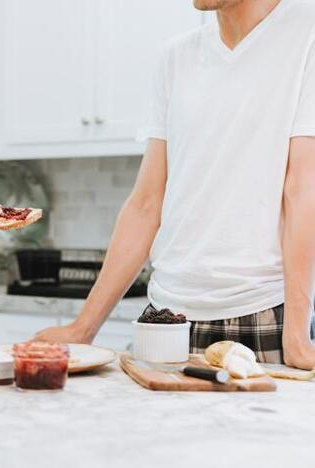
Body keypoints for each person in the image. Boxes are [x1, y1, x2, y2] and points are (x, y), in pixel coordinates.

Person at [35, 0, 315, 369]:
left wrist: (296, 334)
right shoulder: (177, 58)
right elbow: (146, 204)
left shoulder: (305, 34)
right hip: (164, 315)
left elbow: (302, 191)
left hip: (260, 313)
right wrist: (83, 328)